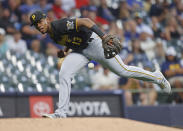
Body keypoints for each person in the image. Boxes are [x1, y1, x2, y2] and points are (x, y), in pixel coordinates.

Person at [29, 10, 171, 118]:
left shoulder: (58, 25)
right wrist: (65, 52)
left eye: (40, 22)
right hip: (80, 51)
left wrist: (103, 36)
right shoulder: (51, 33)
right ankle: (60, 114)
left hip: (94, 44)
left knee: (123, 71)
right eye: (36, 25)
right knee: (64, 73)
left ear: (47, 19)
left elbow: (85, 21)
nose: (39, 25)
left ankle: (157, 77)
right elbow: (70, 39)